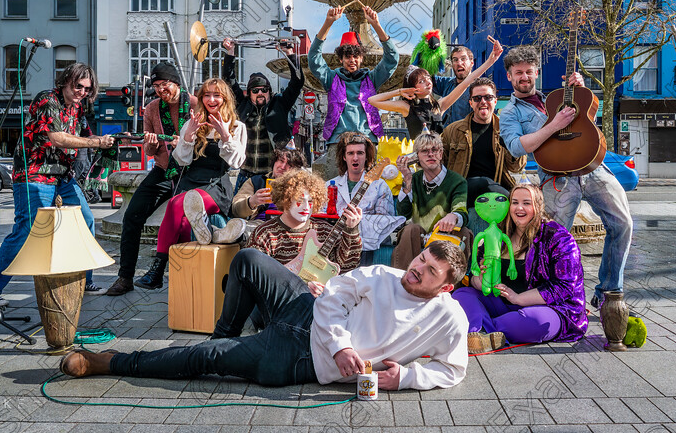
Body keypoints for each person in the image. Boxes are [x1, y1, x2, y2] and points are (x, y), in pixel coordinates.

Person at [58, 241, 469, 392]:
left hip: (299, 357)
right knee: (250, 259)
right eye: (420, 257)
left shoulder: (449, 319)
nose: (417, 268)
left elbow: (454, 371)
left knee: (206, 360)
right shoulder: (384, 273)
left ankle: (109, 361)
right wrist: (343, 342)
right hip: (308, 311)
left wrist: (409, 377)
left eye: (430, 271)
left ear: (446, 287)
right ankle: (224, 334)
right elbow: (333, 299)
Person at [498, 46, 632, 310]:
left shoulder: (556, 98)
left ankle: (608, 291)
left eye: (528, 71)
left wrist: (581, 92)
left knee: (623, 224)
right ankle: (555, 295)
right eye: (518, 73)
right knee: (553, 240)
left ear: (537, 72)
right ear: (509, 77)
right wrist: (554, 125)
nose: (524, 77)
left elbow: (587, 118)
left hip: (593, 168)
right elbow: (516, 146)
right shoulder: (510, 113)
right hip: (557, 180)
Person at [0, 64, 115, 308]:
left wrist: (106, 141)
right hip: (35, 174)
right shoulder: (47, 99)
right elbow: (57, 138)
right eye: (77, 86)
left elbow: (86, 136)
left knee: (86, 220)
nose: (81, 92)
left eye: (86, 88)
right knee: (27, 230)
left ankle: (85, 280)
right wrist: (96, 142)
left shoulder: (78, 107)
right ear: (65, 81)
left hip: (62, 176)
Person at [134, 78, 247, 290]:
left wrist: (225, 136)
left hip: (215, 186)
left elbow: (237, 163)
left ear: (225, 99)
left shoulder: (237, 126)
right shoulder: (193, 122)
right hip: (190, 181)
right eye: (207, 95)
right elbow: (181, 160)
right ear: (201, 98)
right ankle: (185, 285)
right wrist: (187, 136)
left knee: (177, 204)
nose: (211, 99)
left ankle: (157, 270)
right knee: (183, 224)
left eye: (217, 95)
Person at [452, 183, 587, 346]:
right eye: (514, 202)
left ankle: (479, 330)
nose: (519, 208)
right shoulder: (497, 233)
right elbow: (473, 275)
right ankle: (480, 334)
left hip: (548, 309)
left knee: (536, 323)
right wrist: (479, 281)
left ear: (538, 205)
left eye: (526, 203)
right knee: (462, 295)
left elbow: (564, 287)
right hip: (501, 304)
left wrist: (518, 298)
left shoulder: (558, 237)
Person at [105, 63, 199, 296]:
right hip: (163, 170)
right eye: (156, 86)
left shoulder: (195, 104)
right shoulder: (152, 109)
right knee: (132, 216)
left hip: (191, 172)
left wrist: (186, 143)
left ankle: (186, 277)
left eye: (164, 84)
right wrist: (152, 143)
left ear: (176, 83)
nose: (160, 90)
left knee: (187, 224)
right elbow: (148, 152)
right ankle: (125, 277)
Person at [309, 5, 397, 180]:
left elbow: (392, 58)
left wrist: (376, 25)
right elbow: (314, 59)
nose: (352, 60)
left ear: (362, 58)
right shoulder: (331, 78)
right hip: (337, 143)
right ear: (341, 58)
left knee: (370, 191)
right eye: (348, 56)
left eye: (356, 56)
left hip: (367, 142)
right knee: (333, 190)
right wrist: (328, 22)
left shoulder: (371, 79)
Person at [368, 36, 503, 139]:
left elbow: (467, 82)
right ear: (413, 87)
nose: (428, 81)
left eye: (428, 78)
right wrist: (399, 91)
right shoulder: (406, 106)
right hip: (421, 159)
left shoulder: (439, 105)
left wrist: (491, 61)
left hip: (443, 154)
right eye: (422, 80)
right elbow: (372, 100)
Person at [221, 38, 304, 193]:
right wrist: (230, 53)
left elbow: (297, 82)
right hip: (247, 173)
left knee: (271, 211)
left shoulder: (279, 104)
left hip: (272, 173)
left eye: (264, 89)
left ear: (269, 91)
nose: (260, 93)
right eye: (255, 90)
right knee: (241, 210)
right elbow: (228, 81)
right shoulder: (242, 105)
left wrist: (290, 53)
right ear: (249, 93)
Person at [245, 168, 362, 274]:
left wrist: (351, 230)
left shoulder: (325, 231)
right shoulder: (264, 234)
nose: (306, 207)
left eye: (311, 201)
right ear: (284, 199)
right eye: (299, 200)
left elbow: (347, 268)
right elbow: (257, 278)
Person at [391, 132, 472, 270]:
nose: (430, 154)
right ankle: (402, 282)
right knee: (411, 229)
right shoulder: (414, 178)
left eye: (434, 150)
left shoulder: (456, 181)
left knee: (464, 232)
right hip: (418, 235)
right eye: (424, 151)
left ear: (440, 154)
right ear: (416, 157)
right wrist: (407, 180)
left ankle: (455, 288)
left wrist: (453, 216)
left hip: (445, 235)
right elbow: (403, 214)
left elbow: (461, 209)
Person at [441, 77, 526, 208]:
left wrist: (510, 146)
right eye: (477, 98)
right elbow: (439, 165)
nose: (483, 102)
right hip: (462, 192)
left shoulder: (506, 130)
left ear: (495, 101)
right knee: (481, 182)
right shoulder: (452, 131)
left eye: (488, 97)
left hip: (495, 190)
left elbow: (517, 167)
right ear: (470, 103)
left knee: (524, 200)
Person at [332, 131, 404, 266]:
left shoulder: (380, 186)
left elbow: (383, 223)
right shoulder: (330, 185)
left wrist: (357, 225)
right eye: (350, 153)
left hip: (366, 249)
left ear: (366, 156)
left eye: (360, 153)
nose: (355, 158)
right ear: (343, 157)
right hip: (337, 246)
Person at [231, 146, 307, 221]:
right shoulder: (256, 182)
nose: (283, 167)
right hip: (259, 226)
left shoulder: (302, 185)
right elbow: (235, 210)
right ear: (275, 161)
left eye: (289, 164)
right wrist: (251, 202)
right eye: (281, 160)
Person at [433, 46, 477, 126]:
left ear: (472, 63)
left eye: (463, 59)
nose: (459, 63)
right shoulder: (446, 83)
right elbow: (424, 78)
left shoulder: (478, 88)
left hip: (465, 136)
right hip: (444, 135)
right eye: (455, 60)